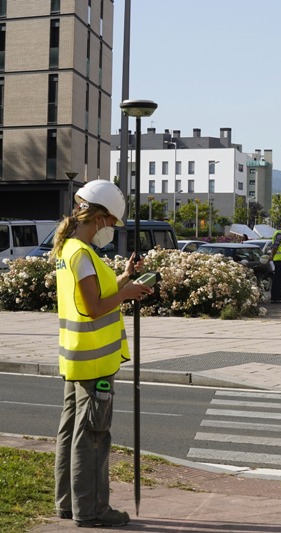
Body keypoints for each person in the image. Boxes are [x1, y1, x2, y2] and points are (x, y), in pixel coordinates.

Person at [52, 180, 153, 528]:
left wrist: (125, 278)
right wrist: (127, 294)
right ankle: (92, 510)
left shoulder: (70, 249)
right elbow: (94, 307)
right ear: (98, 217)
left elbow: (96, 295)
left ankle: (68, 503)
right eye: (111, 221)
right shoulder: (81, 255)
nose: (112, 228)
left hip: (78, 357)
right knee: (93, 436)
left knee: (72, 431)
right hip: (94, 361)